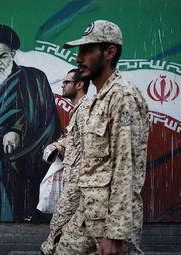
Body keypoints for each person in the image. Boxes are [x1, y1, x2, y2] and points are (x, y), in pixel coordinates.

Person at [55, 20, 150, 254]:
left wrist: (116, 232)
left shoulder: (122, 97)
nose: (78, 59)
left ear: (109, 52)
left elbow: (126, 166)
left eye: (87, 50)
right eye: (79, 51)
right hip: (88, 214)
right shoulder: (99, 99)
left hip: (109, 224)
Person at [0, 24, 61, 222]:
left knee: (26, 211)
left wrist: (17, 130)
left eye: (3, 56)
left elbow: (46, 120)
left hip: (27, 160)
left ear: (13, 53)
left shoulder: (34, 79)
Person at [40, 69, 90, 255]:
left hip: (80, 181)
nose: (62, 85)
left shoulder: (85, 109)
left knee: (59, 223)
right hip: (76, 179)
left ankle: (49, 250)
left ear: (79, 85)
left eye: (66, 82)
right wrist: (59, 145)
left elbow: (91, 144)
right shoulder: (78, 109)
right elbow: (75, 138)